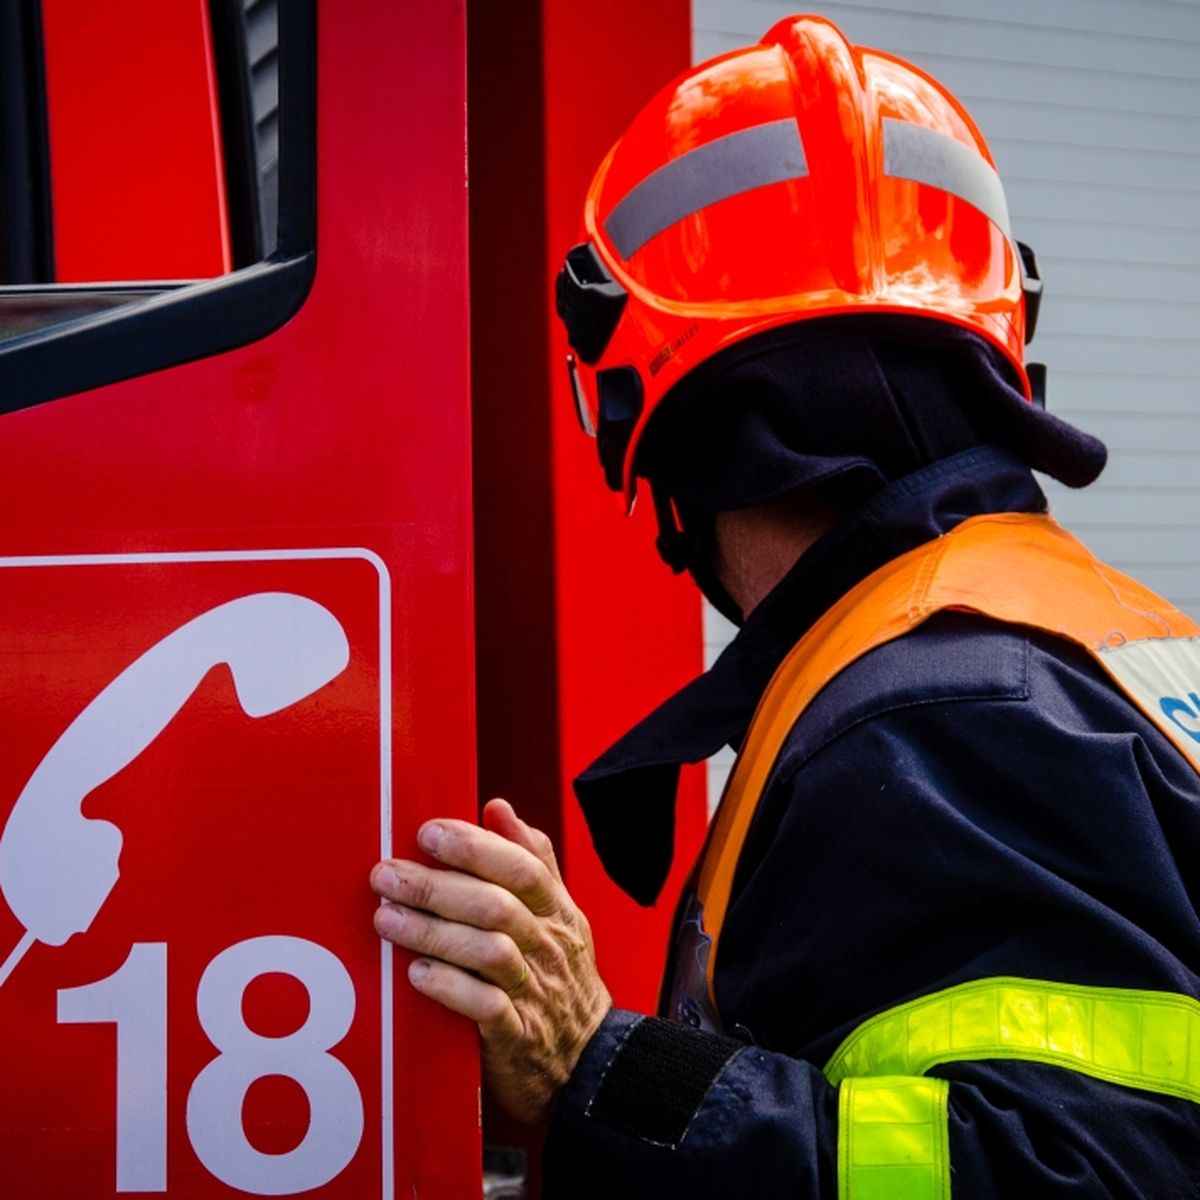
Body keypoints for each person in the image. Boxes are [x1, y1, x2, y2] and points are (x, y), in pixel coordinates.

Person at [371, 14, 1200, 1197]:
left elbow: (1076, 1172)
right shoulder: (1077, 633)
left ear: (647, 421)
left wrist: (594, 1065)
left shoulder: (939, 714)